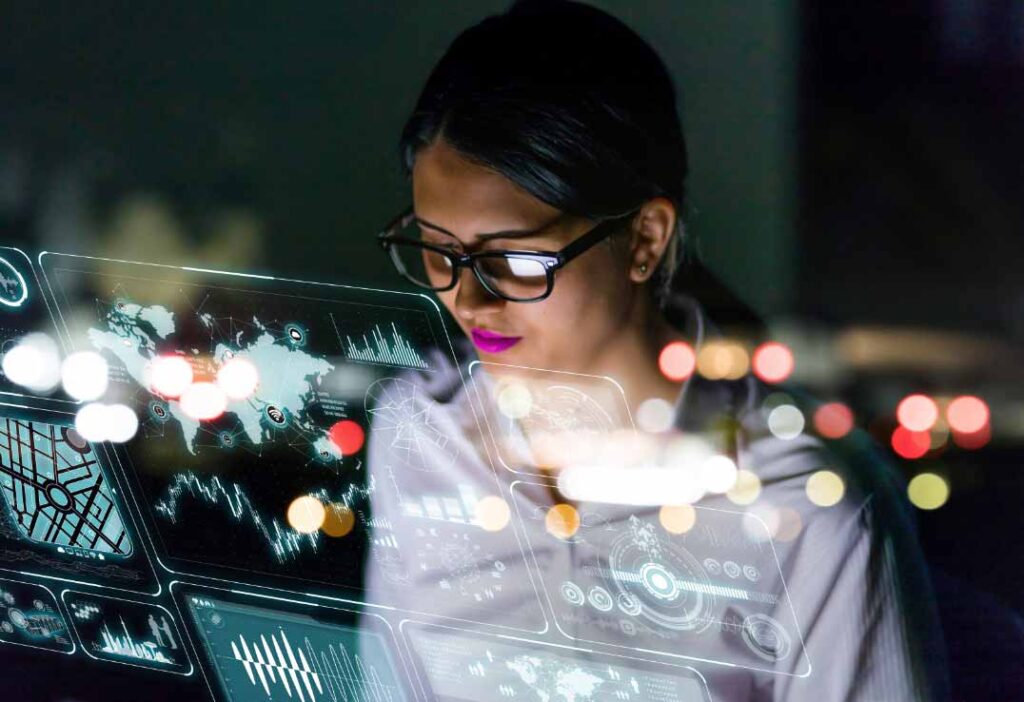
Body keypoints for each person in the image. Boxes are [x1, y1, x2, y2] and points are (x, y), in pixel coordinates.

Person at [367, 2, 950, 699]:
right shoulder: (419, 438)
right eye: (437, 251)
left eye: (515, 258)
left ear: (644, 238)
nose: (469, 299)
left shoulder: (803, 504)